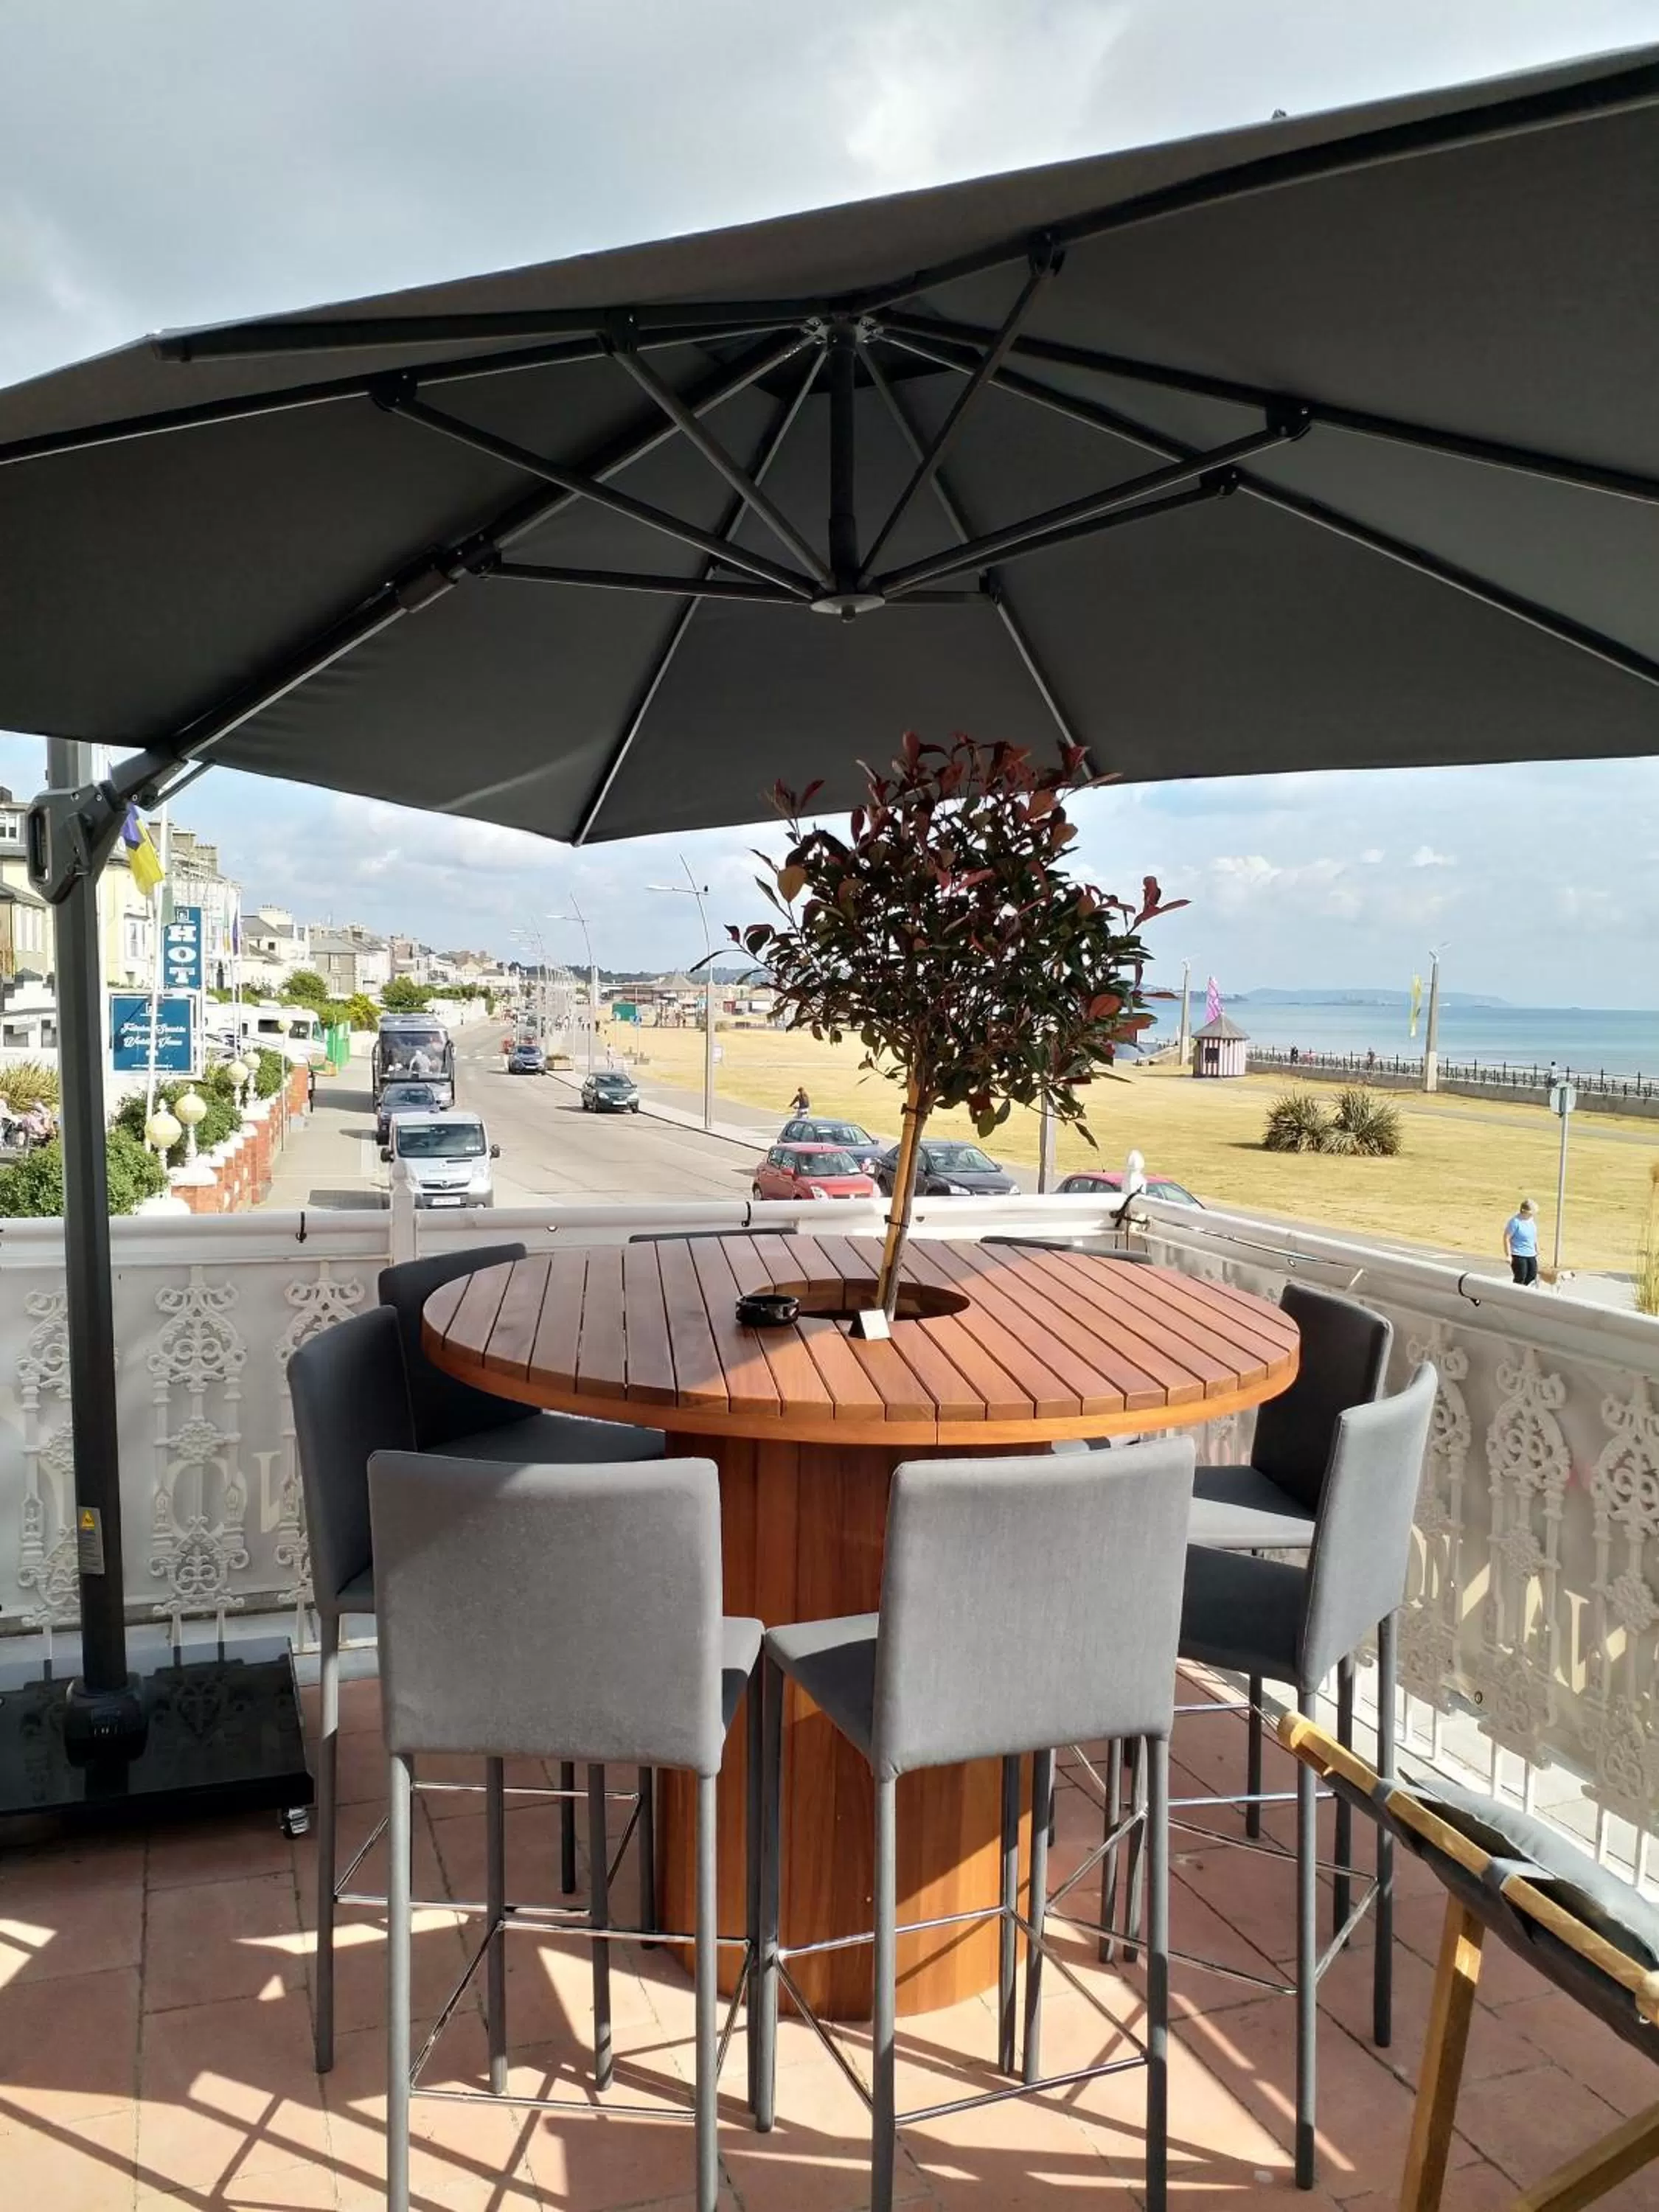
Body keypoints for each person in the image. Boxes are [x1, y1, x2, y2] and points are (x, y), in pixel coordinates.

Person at [1504, 1197, 1540, 1287]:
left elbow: (1534, 1236)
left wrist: (1537, 1248)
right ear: (1526, 1211)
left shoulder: (1531, 1221)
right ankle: (1516, 1296)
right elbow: (1507, 1238)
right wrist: (1508, 1255)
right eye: (1532, 1212)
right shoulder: (1515, 1222)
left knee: (1532, 1276)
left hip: (1531, 1253)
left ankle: (1526, 1293)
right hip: (1518, 1254)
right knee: (1521, 1277)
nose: (1534, 1214)